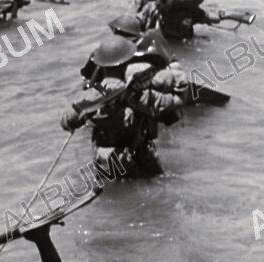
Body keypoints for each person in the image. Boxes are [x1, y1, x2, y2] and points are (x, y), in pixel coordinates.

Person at [61, 35, 184, 178]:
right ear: (127, 63)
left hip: (106, 165)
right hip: (138, 163)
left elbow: (66, 122)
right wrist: (178, 83)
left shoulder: (89, 99)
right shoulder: (140, 95)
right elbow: (175, 103)